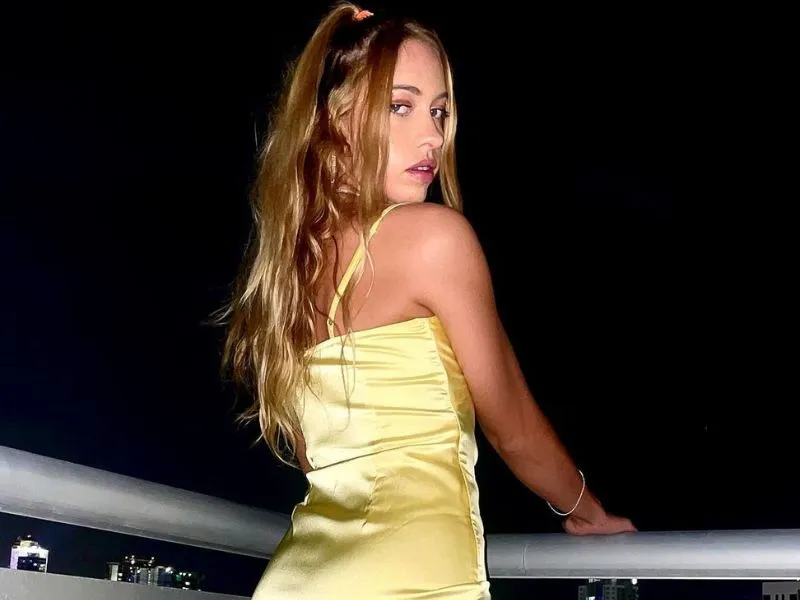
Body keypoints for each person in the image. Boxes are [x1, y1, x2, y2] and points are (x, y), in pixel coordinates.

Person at [218, 2, 636, 598]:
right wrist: (587, 511)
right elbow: (514, 430)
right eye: (401, 106)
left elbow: (316, 464)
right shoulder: (434, 239)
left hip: (300, 576)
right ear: (336, 117)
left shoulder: (290, 276)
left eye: (439, 111)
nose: (434, 136)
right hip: (412, 577)